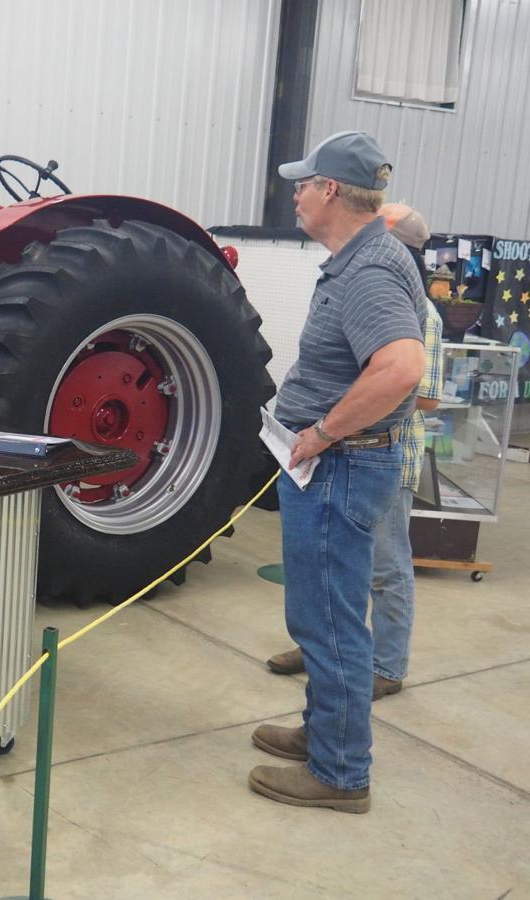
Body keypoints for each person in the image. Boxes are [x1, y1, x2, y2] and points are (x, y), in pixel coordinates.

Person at [248, 132, 426, 814]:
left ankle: (341, 772)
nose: (294, 193)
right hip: (338, 467)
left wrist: (321, 432)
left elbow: (402, 367)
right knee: (324, 614)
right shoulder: (363, 257)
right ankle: (326, 733)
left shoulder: (370, 270)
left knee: (330, 622)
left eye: (303, 183)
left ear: (331, 192)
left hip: (340, 468)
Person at [265, 204, 445, 700]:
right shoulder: (362, 283)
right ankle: (326, 652)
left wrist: (335, 424)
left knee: (386, 568)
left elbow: (419, 389)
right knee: (340, 577)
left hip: (378, 454)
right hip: (347, 450)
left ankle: (385, 665)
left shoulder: (409, 307)